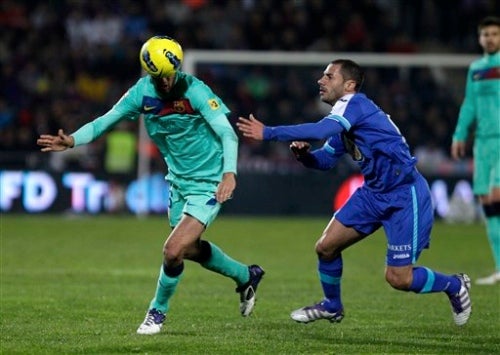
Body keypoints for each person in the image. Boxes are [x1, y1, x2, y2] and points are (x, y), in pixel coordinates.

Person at [37, 35, 265, 335]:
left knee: (172, 250)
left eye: (170, 75)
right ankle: (245, 275)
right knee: (186, 249)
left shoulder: (196, 90)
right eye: (159, 77)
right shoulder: (141, 93)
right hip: (178, 183)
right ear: (149, 72)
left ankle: (156, 312)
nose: (166, 82)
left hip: (209, 182)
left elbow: (227, 133)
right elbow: (105, 121)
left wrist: (229, 173)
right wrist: (72, 140)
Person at [237, 59, 471, 326]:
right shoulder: (346, 122)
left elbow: (319, 129)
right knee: (326, 247)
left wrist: (269, 132)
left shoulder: (355, 104)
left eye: (329, 76)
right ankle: (332, 306)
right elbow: (325, 160)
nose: (320, 80)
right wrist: (305, 157)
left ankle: (454, 285)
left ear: (349, 85)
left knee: (399, 278)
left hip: (404, 195)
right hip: (373, 193)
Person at [451, 16, 500, 285]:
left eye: (495, 33)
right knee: (489, 205)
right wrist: (460, 134)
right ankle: (499, 267)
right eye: (486, 34)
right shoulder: (476, 69)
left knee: (496, 196)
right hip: (483, 144)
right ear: (480, 39)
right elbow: (469, 104)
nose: (490, 38)